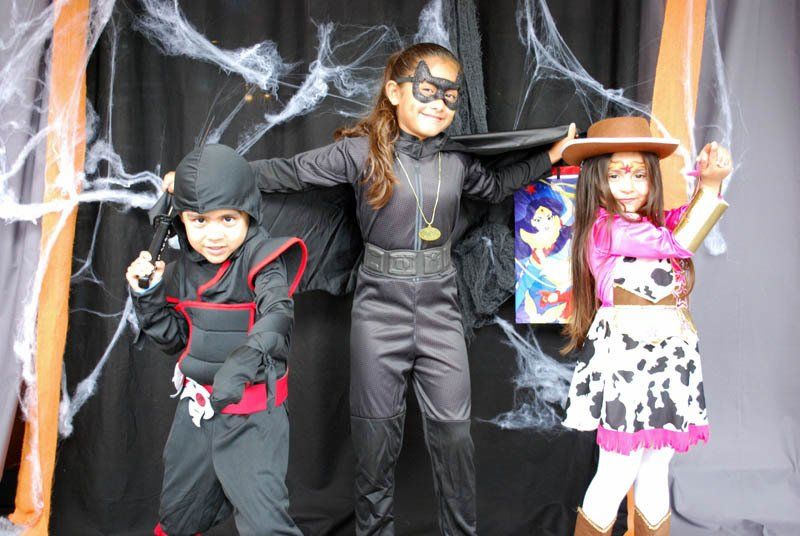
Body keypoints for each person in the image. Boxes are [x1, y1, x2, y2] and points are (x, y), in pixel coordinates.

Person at [161, 42, 573, 535]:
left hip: (441, 305)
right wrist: (205, 187)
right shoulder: (359, 154)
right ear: (395, 92)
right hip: (379, 305)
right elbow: (287, 173)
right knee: (375, 439)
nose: (439, 103)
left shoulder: (459, 164)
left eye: (450, 96)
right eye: (427, 90)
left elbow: (498, 188)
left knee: (455, 436)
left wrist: (551, 155)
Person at [558, 117, 732, 536]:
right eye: (616, 174)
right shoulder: (607, 228)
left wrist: (709, 185)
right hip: (628, 364)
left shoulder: (650, 225)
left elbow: (684, 222)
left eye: (639, 174)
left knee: (657, 467)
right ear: (596, 178)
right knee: (617, 470)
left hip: (669, 360)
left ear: (652, 177)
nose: (629, 185)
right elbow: (680, 241)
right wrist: (708, 188)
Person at [127, 144, 307, 536]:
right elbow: (176, 340)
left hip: (251, 418)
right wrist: (148, 296)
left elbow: (277, 313)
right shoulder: (183, 268)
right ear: (182, 222)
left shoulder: (263, 258)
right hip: (197, 414)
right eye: (199, 220)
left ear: (248, 213)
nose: (213, 235)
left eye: (228, 218)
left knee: (265, 524)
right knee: (179, 514)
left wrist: (245, 360)